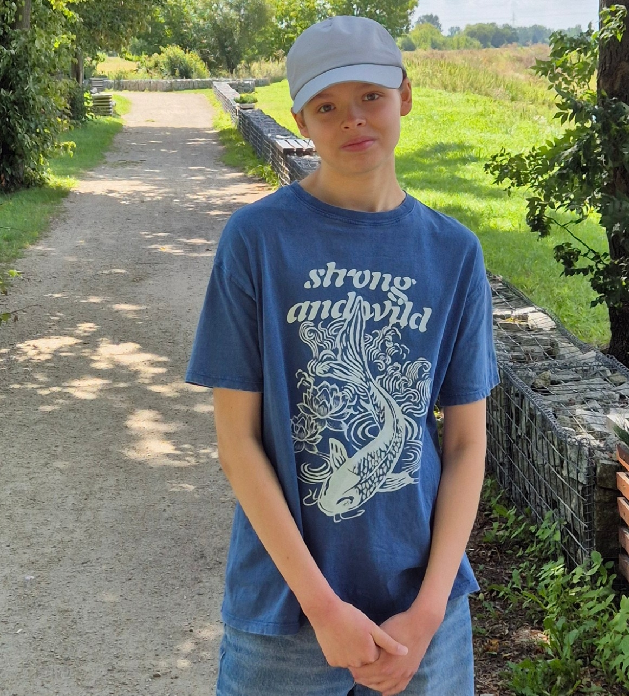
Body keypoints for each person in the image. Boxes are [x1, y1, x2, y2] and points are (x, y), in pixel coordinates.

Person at [185, 14, 500, 696]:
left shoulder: (454, 252)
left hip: (423, 614)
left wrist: (427, 613)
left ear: (404, 96)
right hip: (284, 611)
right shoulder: (256, 240)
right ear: (300, 118)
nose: (352, 118)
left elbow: (466, 444)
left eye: (371, 97)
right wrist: (323, 608)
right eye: (326, 106)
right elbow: (237, 442)